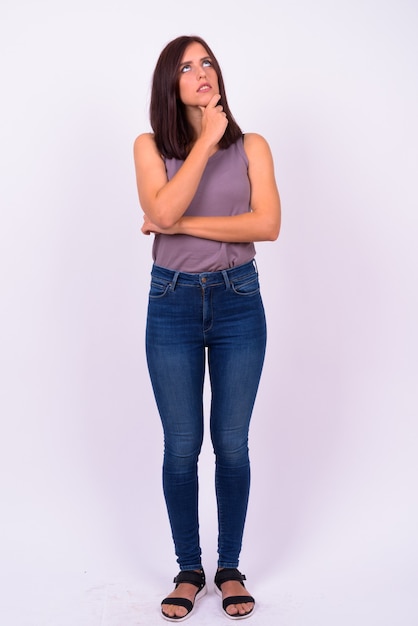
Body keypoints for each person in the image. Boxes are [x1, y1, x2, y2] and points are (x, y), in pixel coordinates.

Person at [133, 35, 281, 621]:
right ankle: (190, 569)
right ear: (170, 84)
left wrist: (176, 220)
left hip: (238, 301)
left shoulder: (253, 146)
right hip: (170, 303)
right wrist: (205, 143)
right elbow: (162, 213)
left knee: (233, 446)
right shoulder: (150, 146)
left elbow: (267, 225)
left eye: (208, 62)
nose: (202, 72)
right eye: (187, 66)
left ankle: (230, 568)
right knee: (180, 448)